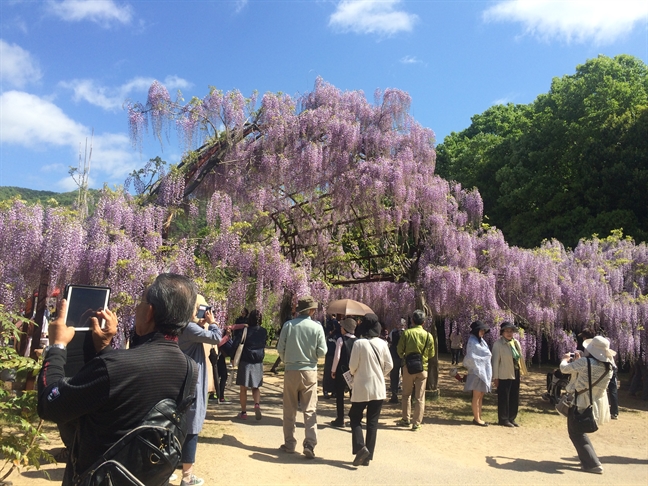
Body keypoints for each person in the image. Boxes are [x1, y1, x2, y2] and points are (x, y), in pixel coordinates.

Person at [37, 274, 199, 486]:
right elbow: (129, 399)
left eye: (141, 303)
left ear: (150, 312)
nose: (136, 310)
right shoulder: (190, 368)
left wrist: (57, 347)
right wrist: (104, 349)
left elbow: (50, 404)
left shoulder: (115, 366)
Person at [177, 294, 225, 486]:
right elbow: (216, 338)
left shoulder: (180, 326)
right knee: (192, 427)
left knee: (181, 426)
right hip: (193, 383)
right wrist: (212, 323)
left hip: (183, 380)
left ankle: (170, 468)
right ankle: (187, 477)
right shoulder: (189, 328)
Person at [277, 296, 327, 458]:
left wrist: (287, 361)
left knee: (289, 408)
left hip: (291, 370)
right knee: (310, 409)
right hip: (309, 371)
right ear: (311, 311)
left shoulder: (288, 325)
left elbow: (280, 348)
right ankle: (310, 444)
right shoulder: (317, 327)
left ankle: (290, 443)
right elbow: (322, 352)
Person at [560, 336, 615, 474]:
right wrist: (579, 363)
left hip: (580, 401)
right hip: (594, 401)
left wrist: (565, 359)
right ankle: (588, 460)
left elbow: (564, 369)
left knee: (575, 432)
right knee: (579, 431)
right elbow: (587, 378)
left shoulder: (586, 362)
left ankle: (592, 464)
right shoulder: (609, 366)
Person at [348, 314, 393, 467]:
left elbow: (352, 366)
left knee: (354, 417)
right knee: (372, 422)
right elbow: (390, 365)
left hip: (361, 386)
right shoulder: (382, 343)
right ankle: (368, 457)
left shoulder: (358, 344)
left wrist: (355, 374)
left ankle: (361, 448)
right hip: (378, 388)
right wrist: (380, 374)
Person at [396, 309, 435, 431]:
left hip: (408, 368)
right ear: (423, 322)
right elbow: (431, 354)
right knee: (420, 397)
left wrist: (405, 357)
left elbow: (399, 350)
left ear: (412, 321)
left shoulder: (406, 333)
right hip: (422, 369)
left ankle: (405, 419)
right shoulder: (428, 335)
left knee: (406, 395)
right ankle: (417, 423)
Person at [491, 321, 527, 427]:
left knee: (514, 396)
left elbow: (519, 358)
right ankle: (503, 419)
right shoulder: (498, 344)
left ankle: (512, 418)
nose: (509, 333)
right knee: (504, 396)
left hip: (515, 372)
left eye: (511, 331)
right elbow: (495, 362)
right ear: (502, 332)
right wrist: (495, 377)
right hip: (504, 373)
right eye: (506, 331)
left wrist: (521, 371)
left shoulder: (516, 343)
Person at [579, 328, 619, 419]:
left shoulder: (592, 346)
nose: (582, 339)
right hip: (611, 367)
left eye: (583, 337)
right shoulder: (600, 343)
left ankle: (604, 412)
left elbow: (587, 360)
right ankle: (614, 413)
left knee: (600, 390)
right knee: (612, 390)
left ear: (585, 337)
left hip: (604, 369)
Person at [235, 309, 267, 420]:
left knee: (243, 389)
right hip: (258, 362)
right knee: (256, 387)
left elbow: (237, 343)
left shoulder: (245, 330)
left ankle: (243, 412)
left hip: (245, 361)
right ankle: (257, 404)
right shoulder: (263, 331)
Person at [330, 317, 357, 427]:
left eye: (342, 326)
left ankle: (340, 419)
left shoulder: (341, 340)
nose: (340, 328)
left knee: (340, 396)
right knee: (353, 396)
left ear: (345, 329)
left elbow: (337, 357)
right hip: (353, 372)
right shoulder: (357, 341)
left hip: (341, 371)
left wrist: (333, 370)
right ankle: (353, 418)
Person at [463, 320, 492, 426]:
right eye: (481, 330)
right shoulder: (472, 341)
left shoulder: (481, 341)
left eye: (484, 330)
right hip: (476, 372)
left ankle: (479, 416)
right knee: (476, 395)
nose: (483, 332)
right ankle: (476, 418)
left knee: (481, 395)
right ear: (476, 331)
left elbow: (487, 354)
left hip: (484, 371)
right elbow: (471, 356)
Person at [387, 318, 406, 403]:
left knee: (394, 376)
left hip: (394, 356)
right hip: (404, 357)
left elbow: (389, 342)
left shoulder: (393, 332)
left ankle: (394, 395)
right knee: (405, 376)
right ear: (404, 325)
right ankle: (406, 396)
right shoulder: (407, 333)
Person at [323, 315, 340, 399]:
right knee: (327, 372)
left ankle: (334, 391)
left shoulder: (338, 333)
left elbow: (338, 328)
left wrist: (335, 321)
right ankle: (326, 390)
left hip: (335, 354)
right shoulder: (327, 327)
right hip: (329, 353)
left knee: (335, 373)